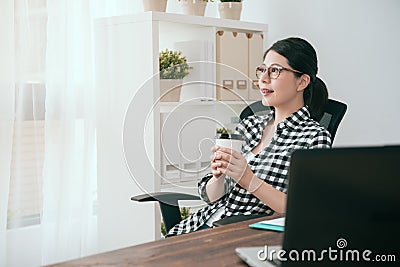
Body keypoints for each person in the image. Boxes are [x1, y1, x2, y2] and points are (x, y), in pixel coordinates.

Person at [167, 37, 332, 237]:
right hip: (197, 226)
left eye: (275, 71)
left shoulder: (314, 137)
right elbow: (211, 197)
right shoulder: (249, 125)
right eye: (263, 70)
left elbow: (303, 209)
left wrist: (248, 179)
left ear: (302, 81)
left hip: (238, 235)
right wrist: (219, 177)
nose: (263, 78)